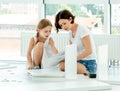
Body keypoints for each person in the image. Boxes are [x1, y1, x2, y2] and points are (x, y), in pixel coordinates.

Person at [55, 9, 97, 76]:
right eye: (61, 25)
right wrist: (65, 57)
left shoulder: (82, 29)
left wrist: (73, 59)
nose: (63, 27)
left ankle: (89, 73)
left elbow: (89, 50)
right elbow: (72, 50)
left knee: (64, 66)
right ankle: (82, 72)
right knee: (61, 65)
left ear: (70, 19)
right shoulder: (70, 33)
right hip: (78, 61)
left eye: (64, 23)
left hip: (89, 62)